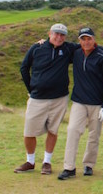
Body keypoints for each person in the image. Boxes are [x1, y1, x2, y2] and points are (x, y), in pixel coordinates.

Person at [15, 23, 79, 175]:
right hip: (37, 98)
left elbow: (87, 45)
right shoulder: (37, 48)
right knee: (29, 132)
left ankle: (47, 162)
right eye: (56, 33)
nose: (59, 37)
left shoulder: (68, 48)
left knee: (53, 130)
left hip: (59, 98)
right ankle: (30, 161)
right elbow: (24, 67)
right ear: (50, 33)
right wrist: (31, 89)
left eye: (62, 35)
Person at [57, 27, 103, 180]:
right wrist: (41, 43)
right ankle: (69, 167)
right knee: (72, 130)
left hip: (97, 103)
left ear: (94, 40)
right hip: (79, 101)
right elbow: (59, 44)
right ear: (79, 41)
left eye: (89, 39)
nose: (86, 42)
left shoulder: (102, 56)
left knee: (94, 135)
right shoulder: (76, 53)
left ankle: (89, 164)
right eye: (83, 39)